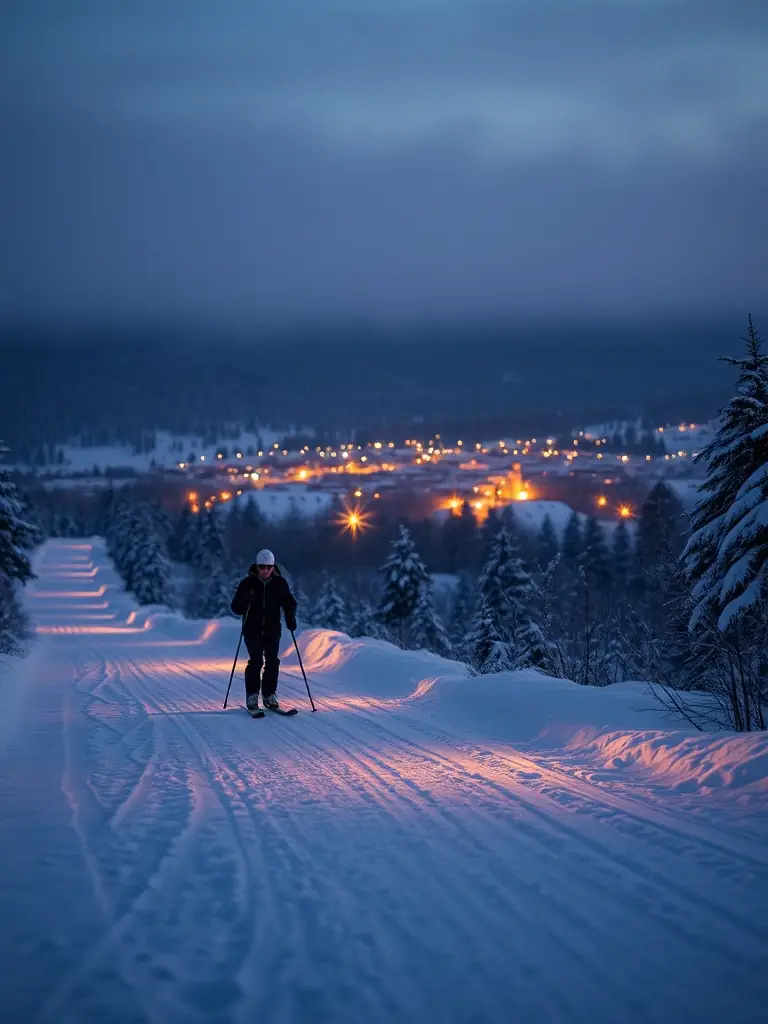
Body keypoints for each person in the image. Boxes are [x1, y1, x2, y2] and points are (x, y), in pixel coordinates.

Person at [230, 548, 297, 713]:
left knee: (273, 662)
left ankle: (269, 695)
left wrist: (290, 618)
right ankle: (252, 696)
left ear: (273, 567)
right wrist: (245, 599)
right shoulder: (248, 583)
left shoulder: (280, 584)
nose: (265, 570)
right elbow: (235, 607)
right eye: (262, 567)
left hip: (272, 630)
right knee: (256, 661)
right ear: (257, 567)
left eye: (268, 567)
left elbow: (289, 602)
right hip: (252, 630)